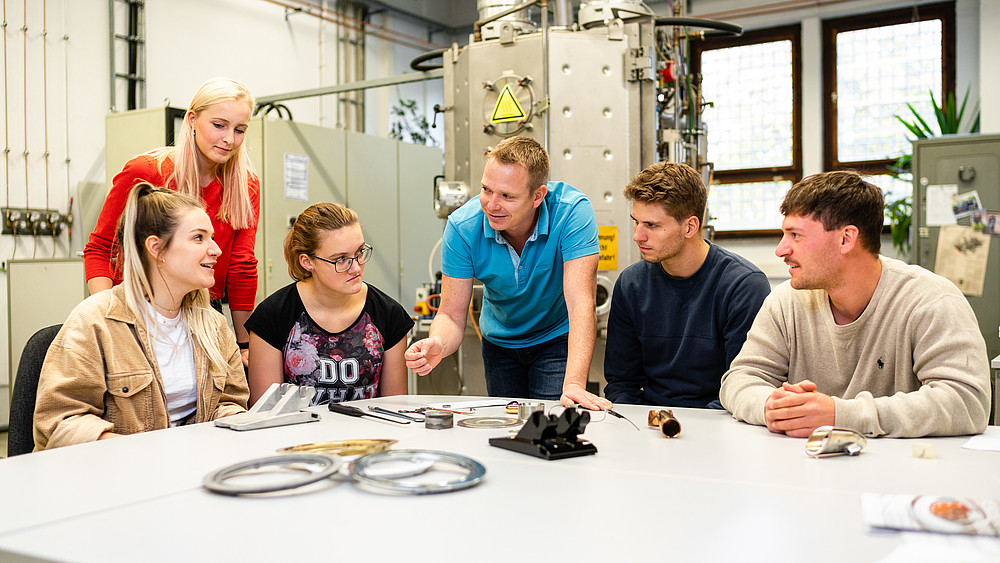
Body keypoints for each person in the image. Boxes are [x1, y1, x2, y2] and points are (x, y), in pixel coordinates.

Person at [719, 171, 990, 438]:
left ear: (846, 239)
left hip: (905, 474)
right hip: (807, 470)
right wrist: (773, 407)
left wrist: (841, 415)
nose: (781, 250)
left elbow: (968, 402)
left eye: (795, 235)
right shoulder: (786, 301)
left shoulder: (930, 300)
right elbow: (741, 378)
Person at [34, 184, 249, 450]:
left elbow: (230, 402)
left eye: (213, 237)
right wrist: (144, 453)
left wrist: (238, 424)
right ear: (156, 248)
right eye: (199, 238)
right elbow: (59, 422)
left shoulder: (213, 325)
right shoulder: (95, 321)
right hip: (115, 474)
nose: (216, 249)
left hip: (193, 467)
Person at [405, 136, 610, 410]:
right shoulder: (462, 227)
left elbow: (581, 302)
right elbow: (451, 314)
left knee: (552, 423)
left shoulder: (572, 212)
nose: (492, 204)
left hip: (555, 337)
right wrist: (438, 343)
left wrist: (573, 383)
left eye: (507, 196)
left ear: (538, 196)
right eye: (486, 190)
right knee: (510, 428)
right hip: (500, 343)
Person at [84, 77, 260, 366]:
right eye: (219, 125)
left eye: (239, 130)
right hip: (134, 306)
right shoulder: (146, 171)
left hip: (201, 311)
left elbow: (242, 266)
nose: (230, 139)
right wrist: (108, 319)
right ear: (192, 119)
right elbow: (102, 248)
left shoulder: (245, 186)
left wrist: (244, 343)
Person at [604, 162, 770, 408]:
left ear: (690, 226)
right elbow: (622, 383)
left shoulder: (743, 287)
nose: (637, 235)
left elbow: (744, 386)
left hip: (722, 423)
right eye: (636, 222)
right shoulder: (631, 285)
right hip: (652, 422)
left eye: (651, 225)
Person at [244, 203, 412, 406]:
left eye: (360, 252)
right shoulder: (272, 316)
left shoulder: (388, 314)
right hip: (295, 437)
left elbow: (394, 410)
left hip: (369, 436)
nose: (356, 267)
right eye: (340, 259)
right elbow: (265, 415)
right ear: (307, 262)